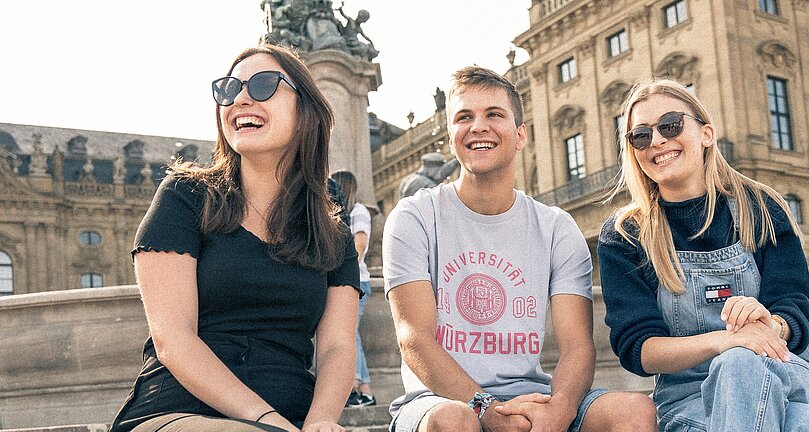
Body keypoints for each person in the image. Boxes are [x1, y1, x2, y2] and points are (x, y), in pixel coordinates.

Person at [382, 66, 657, 432]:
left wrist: (559, 409)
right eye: (464, 117)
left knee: (636, 411)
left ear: (521, 134)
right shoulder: (414, 216)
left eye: (494, 114)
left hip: (532, 396)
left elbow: (577, 348)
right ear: (451, 137)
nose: (478, 126)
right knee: (455, 420)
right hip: (439, 400)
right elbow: (413, 337)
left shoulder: (557, 228)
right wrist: (488, 410)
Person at [110, 43, 361, 432]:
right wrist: (269, 422)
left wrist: (322, 421)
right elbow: (173, 340)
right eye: (229, 89)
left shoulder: (328, 216)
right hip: (179, 409)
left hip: (292, 416)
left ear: (306, 111)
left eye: (263, 85)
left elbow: (338, 347)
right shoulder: (185, 196)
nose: (241, 98)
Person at [598, 78, 809, 431]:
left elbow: (796, 306)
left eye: (670, 125)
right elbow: (638, 349)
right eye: (641, 135)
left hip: (787, 374)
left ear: (706, 133)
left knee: (742, 364)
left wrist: (768, 323)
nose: (658, 140)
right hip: (692, 399)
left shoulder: (761, 208)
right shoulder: (625, 236)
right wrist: (728, 340)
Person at [330, 170, 377, 408]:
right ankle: (365, 391)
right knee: (352, 335)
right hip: (353, 280)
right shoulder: (349, 212)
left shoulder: (358, 211)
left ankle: (352, 387)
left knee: (347, 334)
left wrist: (343, 272)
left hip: (356, 281)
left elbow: (361, 243)